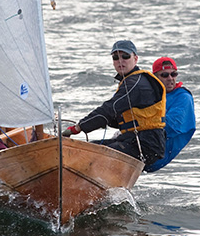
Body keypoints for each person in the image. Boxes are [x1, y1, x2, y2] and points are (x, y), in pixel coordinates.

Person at [62, 40, 166, 170]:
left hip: (145, 144)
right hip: (133, 140)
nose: (120, 61)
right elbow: (115, 116)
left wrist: (78, 127)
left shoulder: (135, 84)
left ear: (136, 58)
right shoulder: (132, 80)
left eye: (125, 56)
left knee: (91, 154)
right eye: (115, 57)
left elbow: (110, 109)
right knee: (91, 146)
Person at [145, 57, 196, 172]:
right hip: (144, 143)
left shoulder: (183, 97)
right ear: (155, 77)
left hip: (157, 154)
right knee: (99, 145)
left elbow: (170, 126)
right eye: (164, 75)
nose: (170, 79)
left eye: (173, 74)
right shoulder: (151, 95)